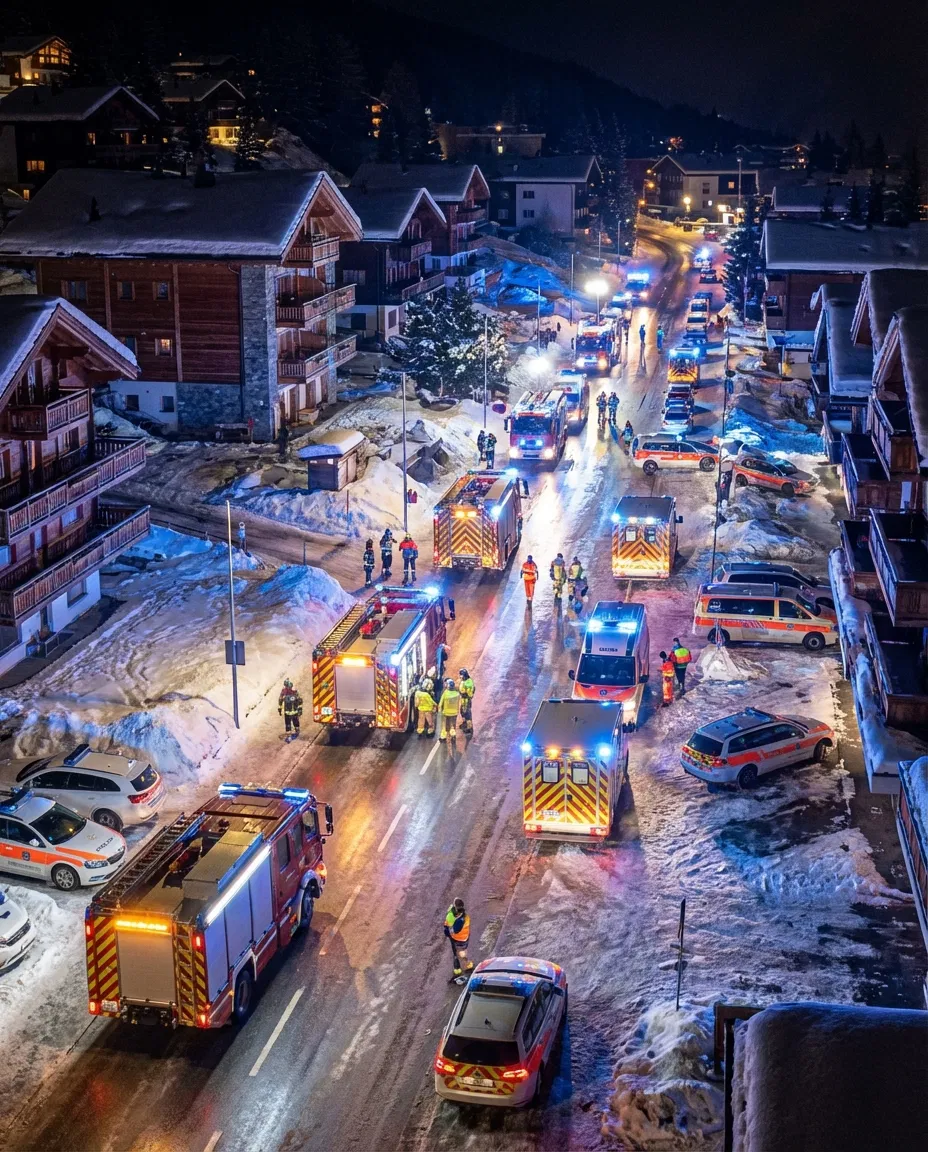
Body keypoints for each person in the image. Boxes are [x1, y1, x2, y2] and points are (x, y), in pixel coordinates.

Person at [443, 897, 473, 980]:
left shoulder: (451, 916)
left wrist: (448, 932)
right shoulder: (465, 917)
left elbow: (450, 929)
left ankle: (458, 969)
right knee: (461, 953)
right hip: (463, 939)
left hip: (456, 939)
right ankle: (466, 966)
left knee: (457, 953)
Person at [437, 677, 461, 742]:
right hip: (454, 713)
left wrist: (439, 710)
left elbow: (440, 704)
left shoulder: (445, 693)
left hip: (446, 713)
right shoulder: (457, 694)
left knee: (445, 724)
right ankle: (453, 735)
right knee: (453, 724)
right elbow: (459, 703)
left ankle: (443, 736)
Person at [458, 668, 476, 735]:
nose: (460, 676)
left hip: (466, 701)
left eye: (461, 675)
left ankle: (469, 727)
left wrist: (464, 694)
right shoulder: (465, 681)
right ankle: (465, 722)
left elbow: (469, 693)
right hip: (463, 700)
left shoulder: (468, 683)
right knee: (462, 711)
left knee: (467, 713)